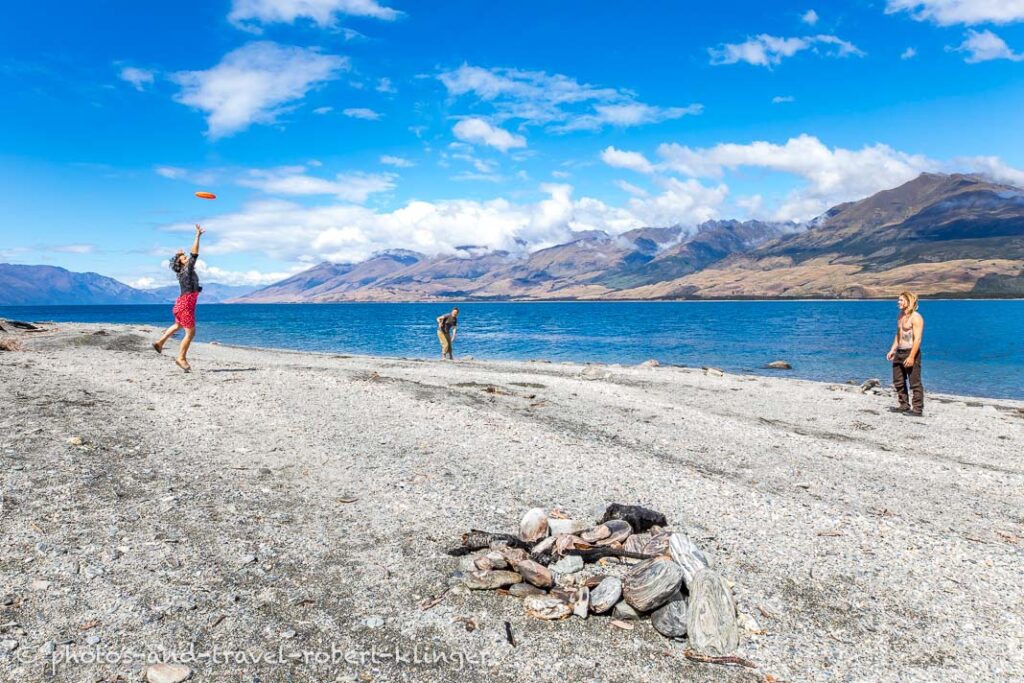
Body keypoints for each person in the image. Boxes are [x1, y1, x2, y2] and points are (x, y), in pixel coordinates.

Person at [153, 224, 205, 372]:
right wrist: (197, 236)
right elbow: (195, 253)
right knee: (190, 333)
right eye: (184, 258)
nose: (187, 258)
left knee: (178, 326)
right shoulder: (186, 270)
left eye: (185, 257)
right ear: (181, 263)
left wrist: (178, 256)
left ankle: (160, 343)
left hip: (180, 305)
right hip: (186, 305)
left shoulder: (183, 273)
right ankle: (181, 358)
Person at [886, 291, 925, 416]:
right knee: (898, 380)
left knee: (914, 382)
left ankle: (917, 409)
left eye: (901, 300)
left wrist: (912, 357)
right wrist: (892, 350)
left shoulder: (916, 318)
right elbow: (899, 335)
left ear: (909, 301)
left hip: (911, 352)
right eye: (899, 300)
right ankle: (904, 405)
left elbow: (917, 339)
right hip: (899, 352)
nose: (898, 302)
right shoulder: (900, 316)